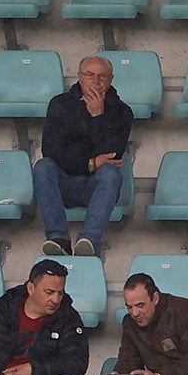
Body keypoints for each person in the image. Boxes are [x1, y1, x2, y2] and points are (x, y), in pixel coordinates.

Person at [33, 55, 133, 257]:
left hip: (96, 187)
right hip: (63, 184)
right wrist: (91, 163)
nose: (96, 82)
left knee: (110, 173)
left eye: (102, 76)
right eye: (89, 75)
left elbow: (113, 153)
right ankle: (58, 238)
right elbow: (52, 152)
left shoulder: (122, 112)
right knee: (44, 166)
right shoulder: (60, 104)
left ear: (111, 79)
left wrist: (97, 117)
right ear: (79, 76)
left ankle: (88, 241)